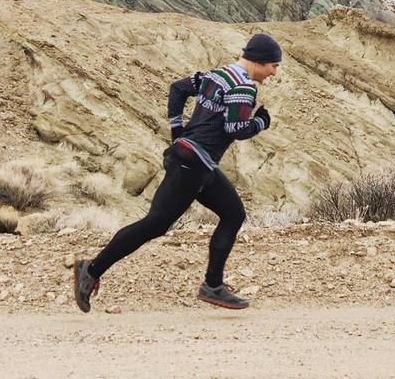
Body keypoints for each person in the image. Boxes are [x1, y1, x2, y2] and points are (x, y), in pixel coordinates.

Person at [73, 33, 282, 312]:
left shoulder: (217, 74)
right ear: (261, 60)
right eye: (274, 66)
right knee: (155, 224)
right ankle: (92, 269)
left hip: (196, 161)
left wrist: (176, 131)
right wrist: (261, 121)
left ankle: (213, 285)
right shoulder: (244, 86)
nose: (274, 73)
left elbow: (178, 88)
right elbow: (237, 129)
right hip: (192, 164)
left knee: (234, 213)